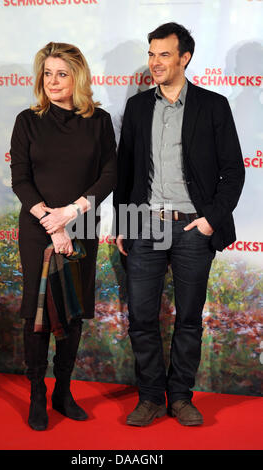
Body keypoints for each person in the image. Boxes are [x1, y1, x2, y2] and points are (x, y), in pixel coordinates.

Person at [114, 22, 245, 427]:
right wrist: (123, 221)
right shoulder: (137, 107)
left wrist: (211, 220)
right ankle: (151, 397)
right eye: (151, 54)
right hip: (145, 224)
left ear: (184, 58)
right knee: (141, 317)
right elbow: (125, 171)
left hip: (193, 228)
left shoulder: (213, 106)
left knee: (189, 319)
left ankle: (181, 398)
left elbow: (233, 172)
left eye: (164, 54)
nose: (154, 62)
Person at [10, 42, 116, 431]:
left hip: (82, 225)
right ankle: (38, 393)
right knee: (37, 315)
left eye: (62, 73)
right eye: (48, 73)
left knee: (72, 310)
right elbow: (20, 178)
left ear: (78, 77)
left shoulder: (98, 121)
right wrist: (50, 222)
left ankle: (63, 390)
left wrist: (71, 214)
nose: (53, 81)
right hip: (37, 230)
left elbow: (109, 175)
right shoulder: (27, 120)